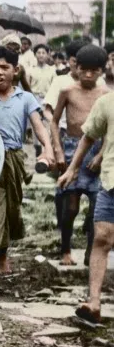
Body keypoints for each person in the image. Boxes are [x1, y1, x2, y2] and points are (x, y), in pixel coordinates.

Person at [0, 47, 54, 291]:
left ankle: (3, 253)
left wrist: (47, 147)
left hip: (15, 160)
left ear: (15, 70)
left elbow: (38, 125)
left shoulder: (25, 99)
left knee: (11, 210)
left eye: (5, 68)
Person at [57, 82, 114, 327]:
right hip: (111, 181)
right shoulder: (107, 103)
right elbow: (88, 136)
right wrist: (72, 169)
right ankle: (94, 303)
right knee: (102, 237)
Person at [50, 45, 109, 266]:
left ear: (101, 71)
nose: (87, 75)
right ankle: (65, 249)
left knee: (97, 208)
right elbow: (55, 122)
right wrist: (57, 149)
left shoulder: (105, 95)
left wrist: (101, 154)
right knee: (71, 207)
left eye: (93, 71)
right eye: (84, 69)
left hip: (97, 150)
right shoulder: (68, 91)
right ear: (76, 67)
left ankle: (89, 254)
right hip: (72, 148)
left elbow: (110, 130)